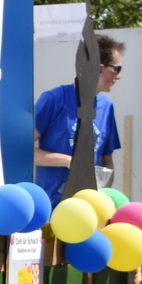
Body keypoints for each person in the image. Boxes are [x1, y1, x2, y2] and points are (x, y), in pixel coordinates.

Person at [33, 34, 124, 205]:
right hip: (53, 208)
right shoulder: (54, 99)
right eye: (116, 69)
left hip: (90, 210)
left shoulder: (107, 106)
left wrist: (102, 197)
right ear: (99, 68)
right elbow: (22, 152)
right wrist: (69, 161)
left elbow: (107, 161)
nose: (119, 76)